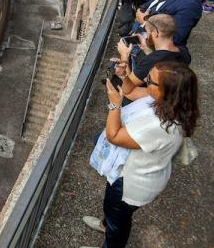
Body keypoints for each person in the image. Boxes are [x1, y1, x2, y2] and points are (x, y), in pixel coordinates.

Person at [83, 61, 199, 248]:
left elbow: (114, 136)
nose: (145, 81)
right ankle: (107, 224)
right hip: (133, 172)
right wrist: (123, 77)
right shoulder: (167, 102)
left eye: (150, 81)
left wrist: (114, 105)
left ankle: (111, 237)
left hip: (130, 182)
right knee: (116, 214)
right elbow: (130, 92)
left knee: (117, 219)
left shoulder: (161, 126)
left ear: (167, 90)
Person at [115, 14, 191, 101]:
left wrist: (124, 56)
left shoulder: (151, 61)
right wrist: (147, 49)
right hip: (172, 93)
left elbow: (127, 89)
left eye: (147, 32)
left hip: (156, 101)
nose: (146, 36)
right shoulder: (183, 51)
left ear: (155, 33)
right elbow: (162, 56)